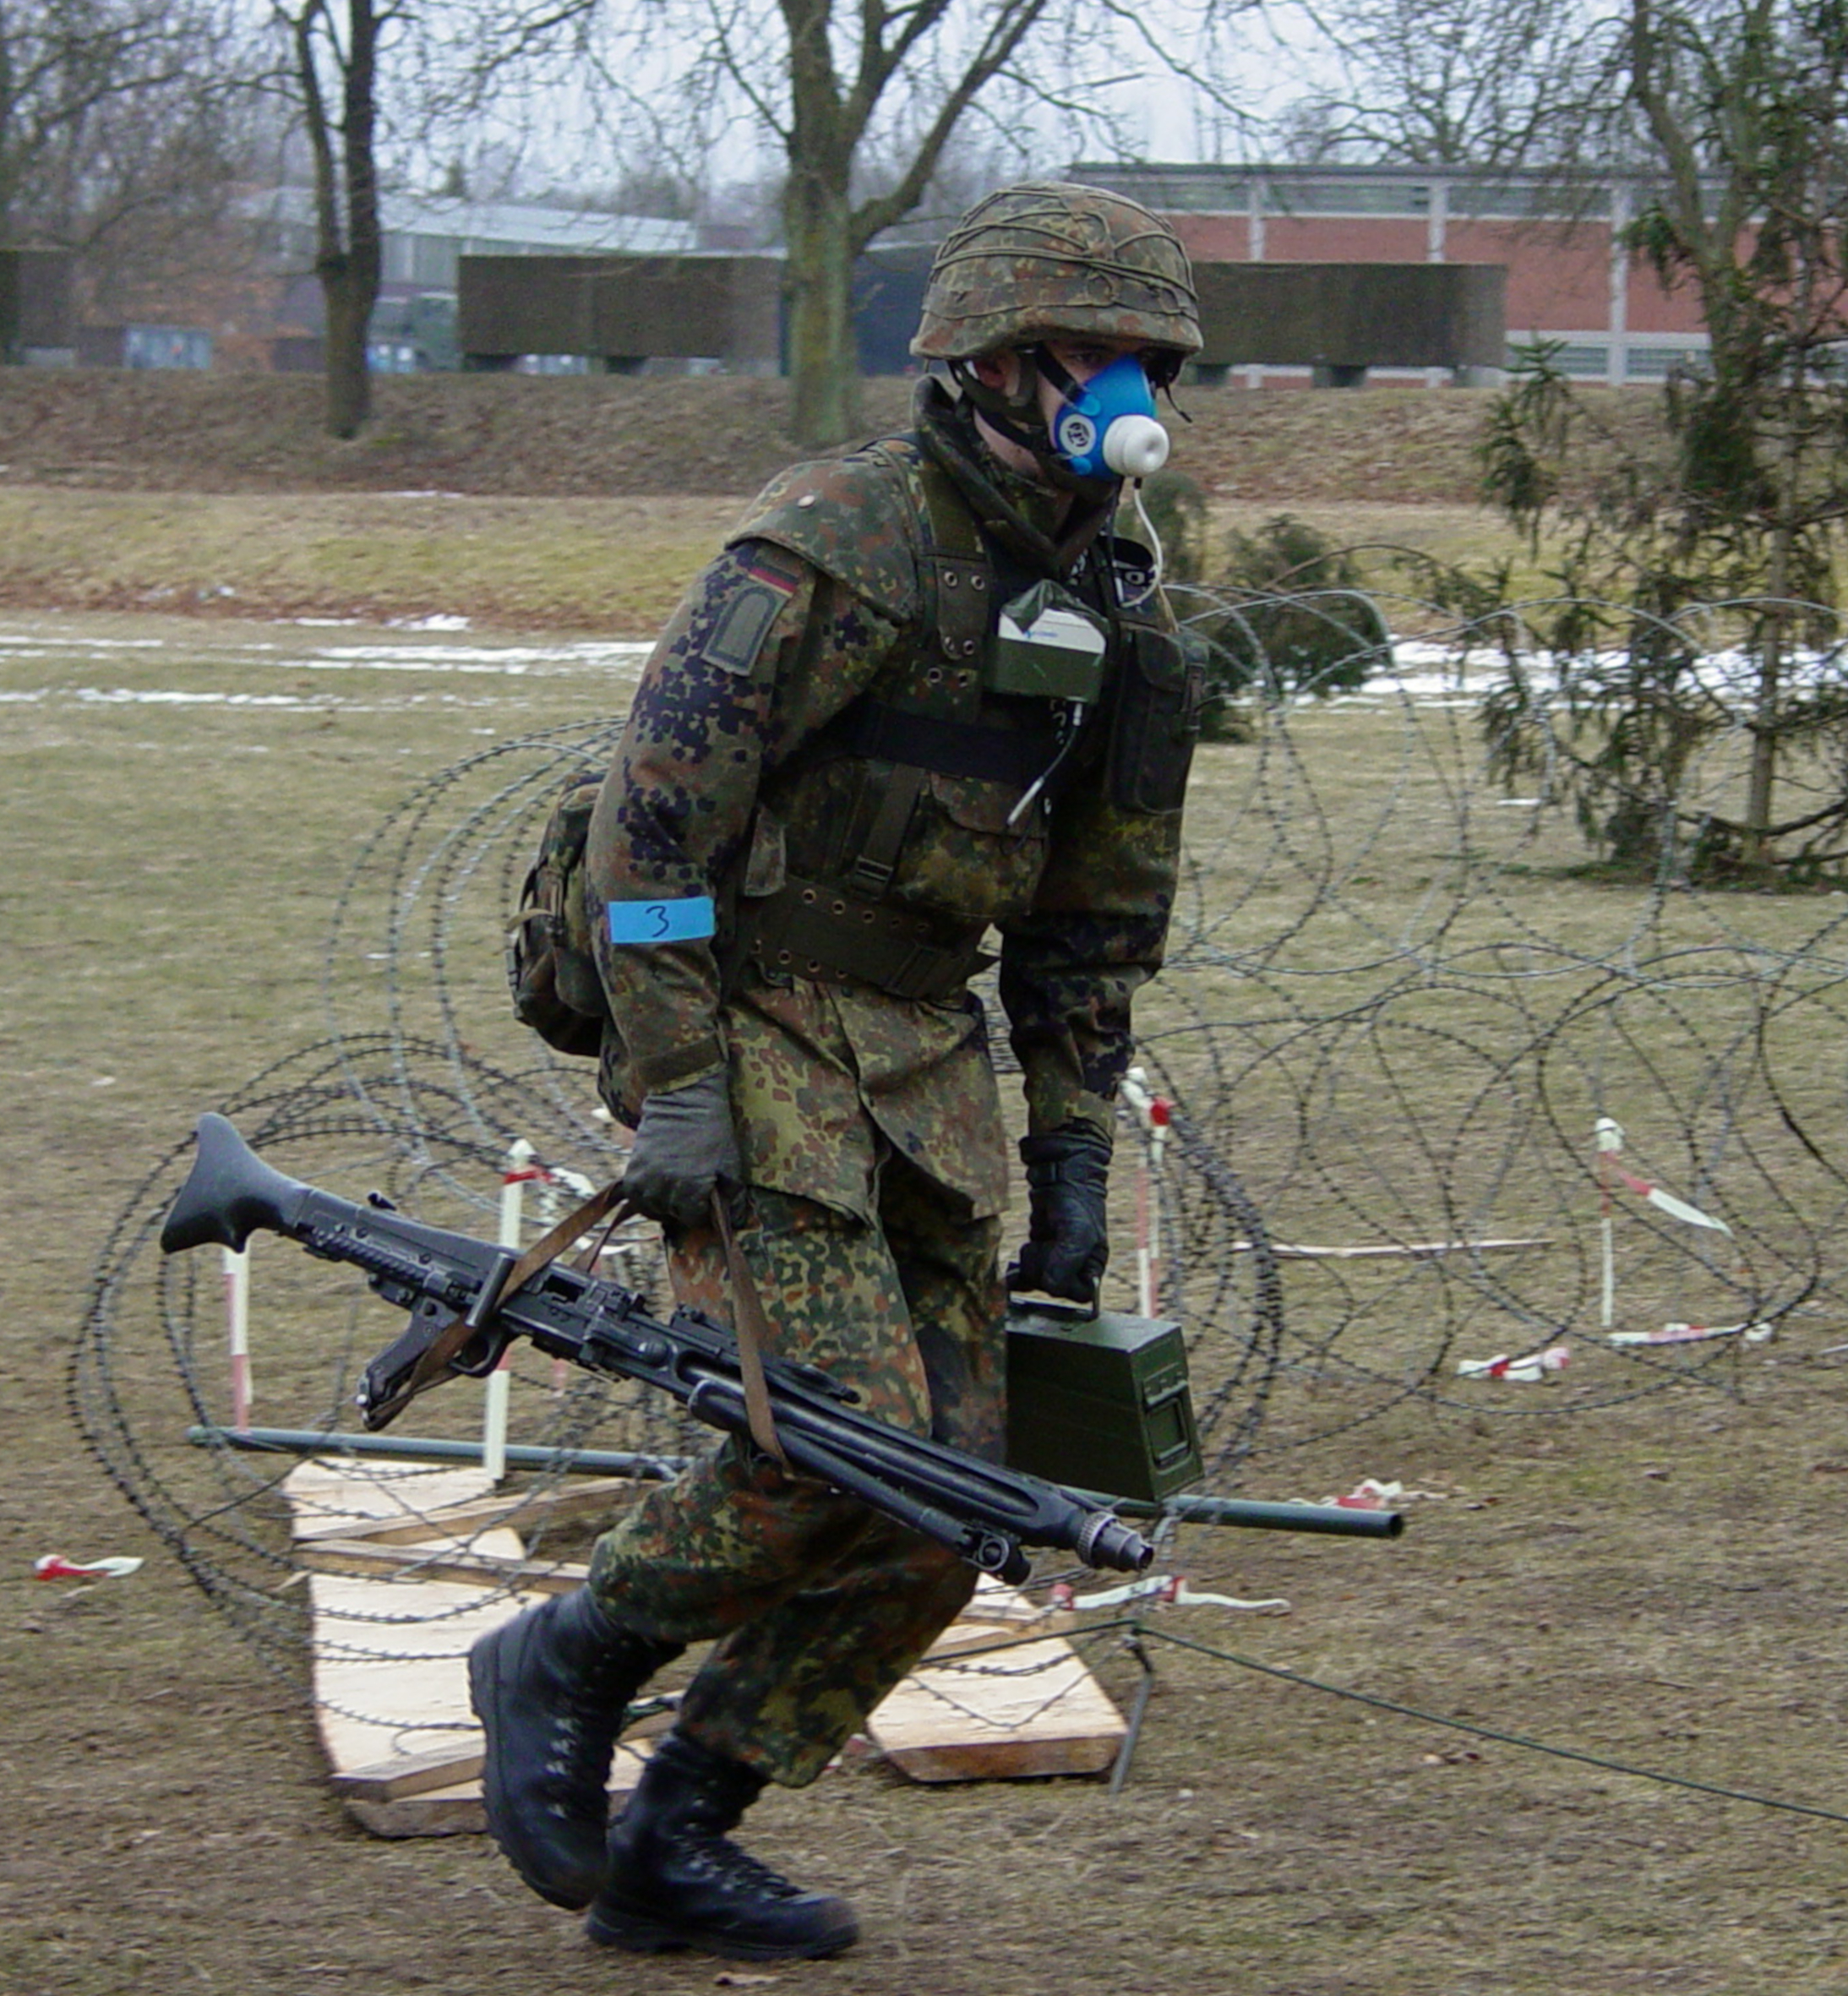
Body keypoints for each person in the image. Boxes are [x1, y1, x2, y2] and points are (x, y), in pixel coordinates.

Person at [466, 181, 1206, 1963]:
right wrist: (677, 1080)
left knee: (949, 1492)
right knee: (832, 1436)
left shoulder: (1118, 606)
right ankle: (563, 1653)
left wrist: (1078, 1155)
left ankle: (680, 1833)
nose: (1129, 394)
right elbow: (654, 814)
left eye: (1150, 361)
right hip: (754, 1021)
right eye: (1097, 358)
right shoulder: (832, 540)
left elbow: (1096, 923)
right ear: (1000, 365)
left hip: (922, 1067)